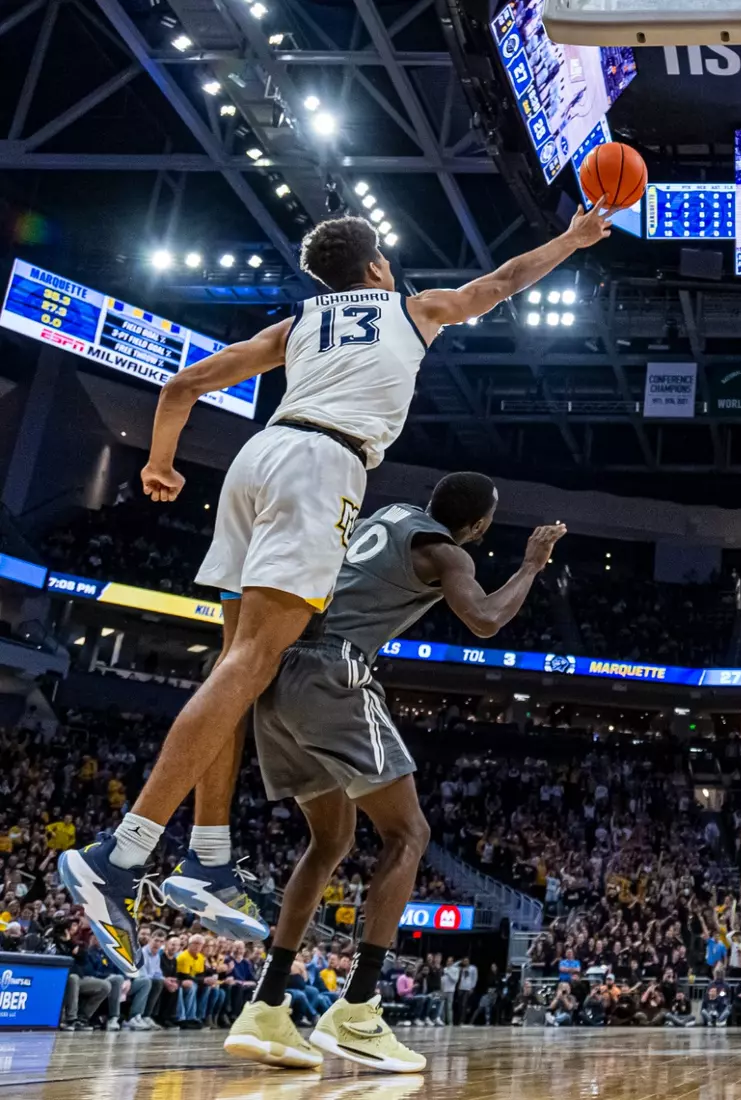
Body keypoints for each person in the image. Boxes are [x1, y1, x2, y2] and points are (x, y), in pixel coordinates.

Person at [58, 206, 613, 975]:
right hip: (323, 468)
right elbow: (507, 279)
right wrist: (574, 240)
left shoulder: (294, 330)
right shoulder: (413, 312)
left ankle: (208, 859)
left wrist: (160, 464)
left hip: (257, 458)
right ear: (379, 268)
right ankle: (120, 856)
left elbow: (182, 385)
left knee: (235, 668)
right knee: (249, 663)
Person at [224, 473, 567, 1073]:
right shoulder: (445, 551)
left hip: (279, 680)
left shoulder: (390, 518)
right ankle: (357, 1008)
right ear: (480, 526)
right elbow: (486, 620)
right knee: (409, 835)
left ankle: (267, 1004)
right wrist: (532, 566)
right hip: (335, 674)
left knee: (330, 840)